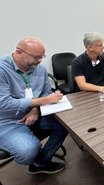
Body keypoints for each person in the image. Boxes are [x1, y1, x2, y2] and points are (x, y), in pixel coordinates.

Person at [0, 37, 68, 174]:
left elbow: (45, 92)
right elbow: (4, 103)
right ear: (19, 52)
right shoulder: (2, 70)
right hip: (7, 122)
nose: (40, 61)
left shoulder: (40, 69)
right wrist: (41, 102)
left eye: (42, 57)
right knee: (28, 152)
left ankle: (40, 163)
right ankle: (34, 154)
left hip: (34, 114)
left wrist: (35, 110)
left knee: (67, 124)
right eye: (36, 57)